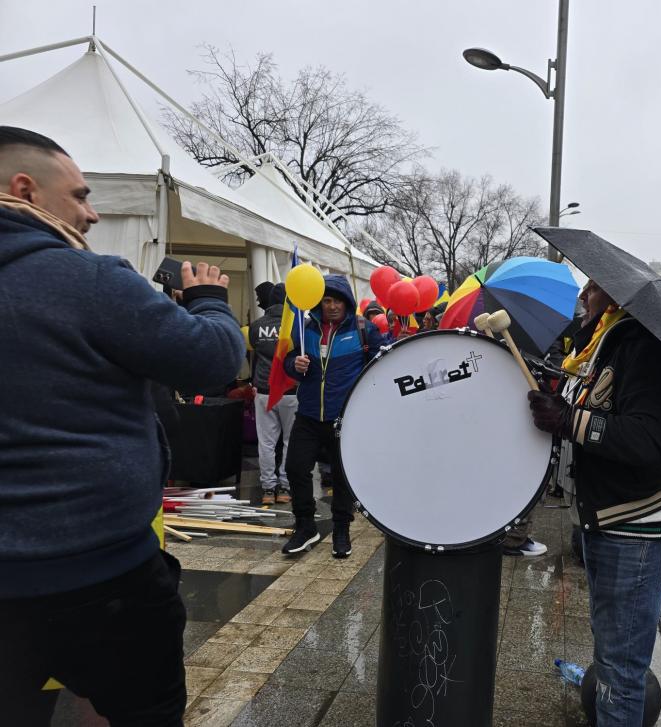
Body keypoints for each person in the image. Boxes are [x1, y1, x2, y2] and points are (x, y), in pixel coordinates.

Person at [0, 126, 245, 725]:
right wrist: (210, 300)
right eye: (80, 196)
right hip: (100, 578)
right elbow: (213, 360)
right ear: (24, 188)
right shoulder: (85, 278)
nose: (92, 212)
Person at [526, 279, 661, 726]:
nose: (584, 297)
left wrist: (569, 420)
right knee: (611, 647)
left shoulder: (649, 349)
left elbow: (647, 441)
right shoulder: (607, 340)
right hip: (616, 519)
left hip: (640, 524)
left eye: (595, 289)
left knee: (620, 672)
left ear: (620, 297)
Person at [282, 275, 384, 557]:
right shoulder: (305, 329)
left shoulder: (364, 329)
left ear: (347, 302)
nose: (332, 306)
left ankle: (342, 529)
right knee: (295, 468)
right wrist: (295, 364)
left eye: (337, 300)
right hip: (309, 414)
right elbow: (288, 363)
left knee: (341, 477)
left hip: (345, 418)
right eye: (326, 300)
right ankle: (305, 526)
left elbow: (380, 366)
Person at [250, 283, 298, 505]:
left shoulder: (256, 326)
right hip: (291, 391)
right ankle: (285, 487)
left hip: (264, 390)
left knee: (266, 443)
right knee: (290, 441)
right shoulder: (298, 326)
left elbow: (256, 352)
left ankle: (268, 489)